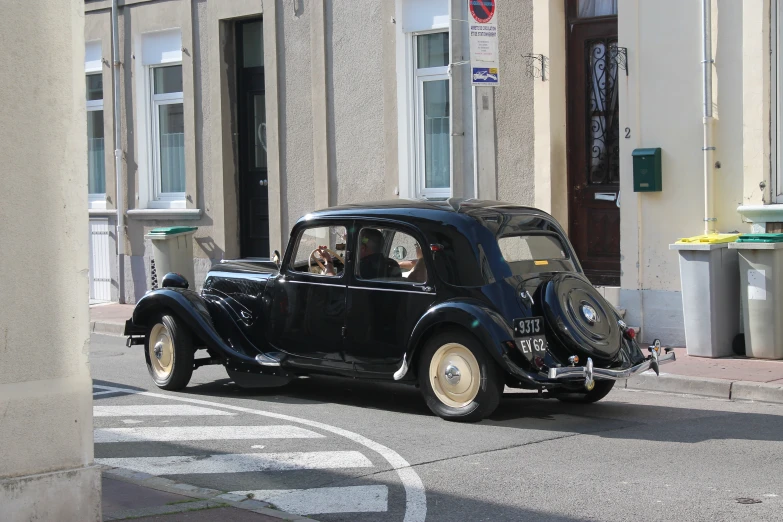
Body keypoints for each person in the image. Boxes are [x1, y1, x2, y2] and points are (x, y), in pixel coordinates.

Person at [316, 228, 401, 279]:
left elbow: (334, 283)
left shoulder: (357, 269)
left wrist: (328, 262)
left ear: (362, 248)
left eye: (353, 245)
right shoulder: (392, 264)